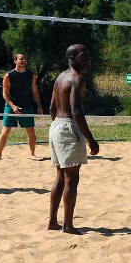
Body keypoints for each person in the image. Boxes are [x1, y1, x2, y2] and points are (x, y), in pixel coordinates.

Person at [47, 44, 100, 234]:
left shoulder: (60, 77)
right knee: (72, 179)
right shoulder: (78, 79)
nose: (88, 58)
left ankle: (53, 222)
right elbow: (76, 111)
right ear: (72, 57)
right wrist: (91, 139)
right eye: (84, 54)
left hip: (56, 125)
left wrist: (58, 127)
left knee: (60, 176)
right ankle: (68, 225)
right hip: (68, 126)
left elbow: (52, 108)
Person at [0, 53, 44, 160]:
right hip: (11, 106)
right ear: (15, 61)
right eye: (21, 59)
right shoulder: (9, 75)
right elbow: (4, 94)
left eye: (25, 59)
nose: (23, 61)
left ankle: (32, 154)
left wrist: (39, 105)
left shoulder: (31, 74)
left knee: (31, 131)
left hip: (27, 105)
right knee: (5, 131)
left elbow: (34, 90)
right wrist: (13, 106)